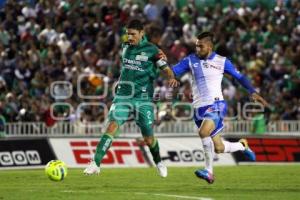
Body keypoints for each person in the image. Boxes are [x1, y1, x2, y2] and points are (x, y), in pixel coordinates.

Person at [84, 19, 179, 177]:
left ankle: (158, 161)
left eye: (133, 34)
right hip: (123, 97)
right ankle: (95, 163)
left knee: (148, 139)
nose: (129, 37)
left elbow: (165, 68)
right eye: (127, 34)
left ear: (142, 34)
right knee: (112, 127)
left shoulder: (153, 50)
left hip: (143, 99)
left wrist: (170, 76)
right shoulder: (125, 45)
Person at [172, 32, 268, 184]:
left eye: (200, 46)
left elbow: (240, 77)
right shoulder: (190, 60)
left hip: (216, 104)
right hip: (199, 108)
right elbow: (173, 71)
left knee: (203, 132)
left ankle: (209, 172)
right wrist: (165, 70)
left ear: (209, 46)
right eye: (196, 45)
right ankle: (242, 145)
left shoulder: (222, 61)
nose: (197, 48)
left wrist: (252, 91)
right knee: (218, 147)